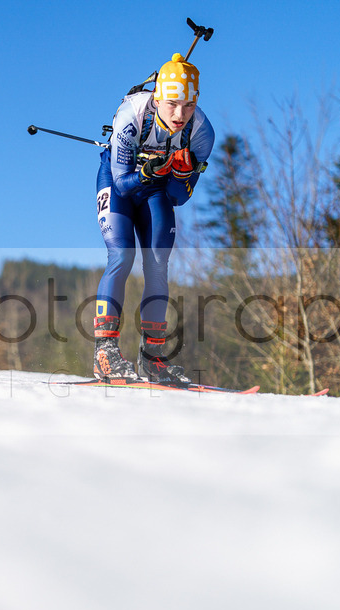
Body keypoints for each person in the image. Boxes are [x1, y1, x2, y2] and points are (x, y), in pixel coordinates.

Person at [92, 52, 215, 383]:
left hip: (156, 188)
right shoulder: (131, 116)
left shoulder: (201, 132)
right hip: (120, 182)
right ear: (158, 97)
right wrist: (149, 171)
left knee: (158, 263)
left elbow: (179, 198)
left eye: (188, 105)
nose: (179, 114)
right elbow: (120, 182)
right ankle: (105, 352)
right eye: (172, 103)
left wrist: (179, 175)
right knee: (122, 255)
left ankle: (152, 357)